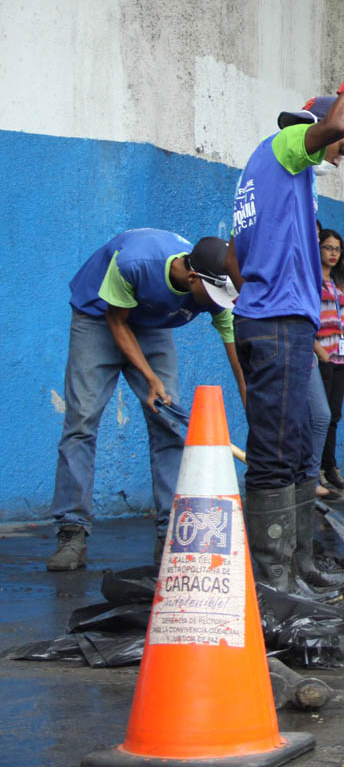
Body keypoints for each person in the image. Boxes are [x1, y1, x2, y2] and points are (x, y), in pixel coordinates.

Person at [224, 28, 344, 594]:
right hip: (277, 324)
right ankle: (275, 580)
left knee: (300, 443)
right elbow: (330, 123)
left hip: (281, 322)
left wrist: (275, 299)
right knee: (276, 452)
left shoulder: (267, 182)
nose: (342, 150)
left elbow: (235, 257)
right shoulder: (285, 149)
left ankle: (298, 565)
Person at [47, 229, 244, 571]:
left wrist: (254, 405)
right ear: (193, 277)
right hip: (100, 317)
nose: (215, 303)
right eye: (210, 294)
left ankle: (170, 534)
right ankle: (72, 530)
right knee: (82, 421)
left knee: (168, 424)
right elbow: (117, 321)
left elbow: (237, 358)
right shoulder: (135, 263)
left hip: (152, 326)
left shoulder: (215, 287)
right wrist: (150, 379)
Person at [316, 227, 344, 491]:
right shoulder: (311, 280)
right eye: (328, 247)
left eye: (337, 249)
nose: (333, 253)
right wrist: (319, 350)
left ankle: (329, 465)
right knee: (320, 414)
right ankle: (315, 467)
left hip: (341, 356)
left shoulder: (340, 282)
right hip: (321, 355)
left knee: (334, 415)